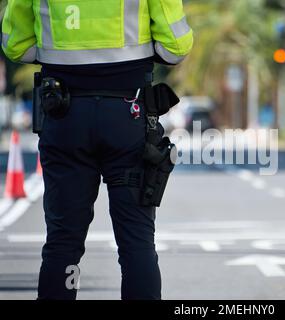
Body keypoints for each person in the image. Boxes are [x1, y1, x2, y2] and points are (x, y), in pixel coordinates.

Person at [2, 0, 193, 300]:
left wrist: (65, 59)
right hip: (127, 115)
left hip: (64, 114)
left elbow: (15, 45)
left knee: (63, 242)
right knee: (137, 243)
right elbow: (176, 46)